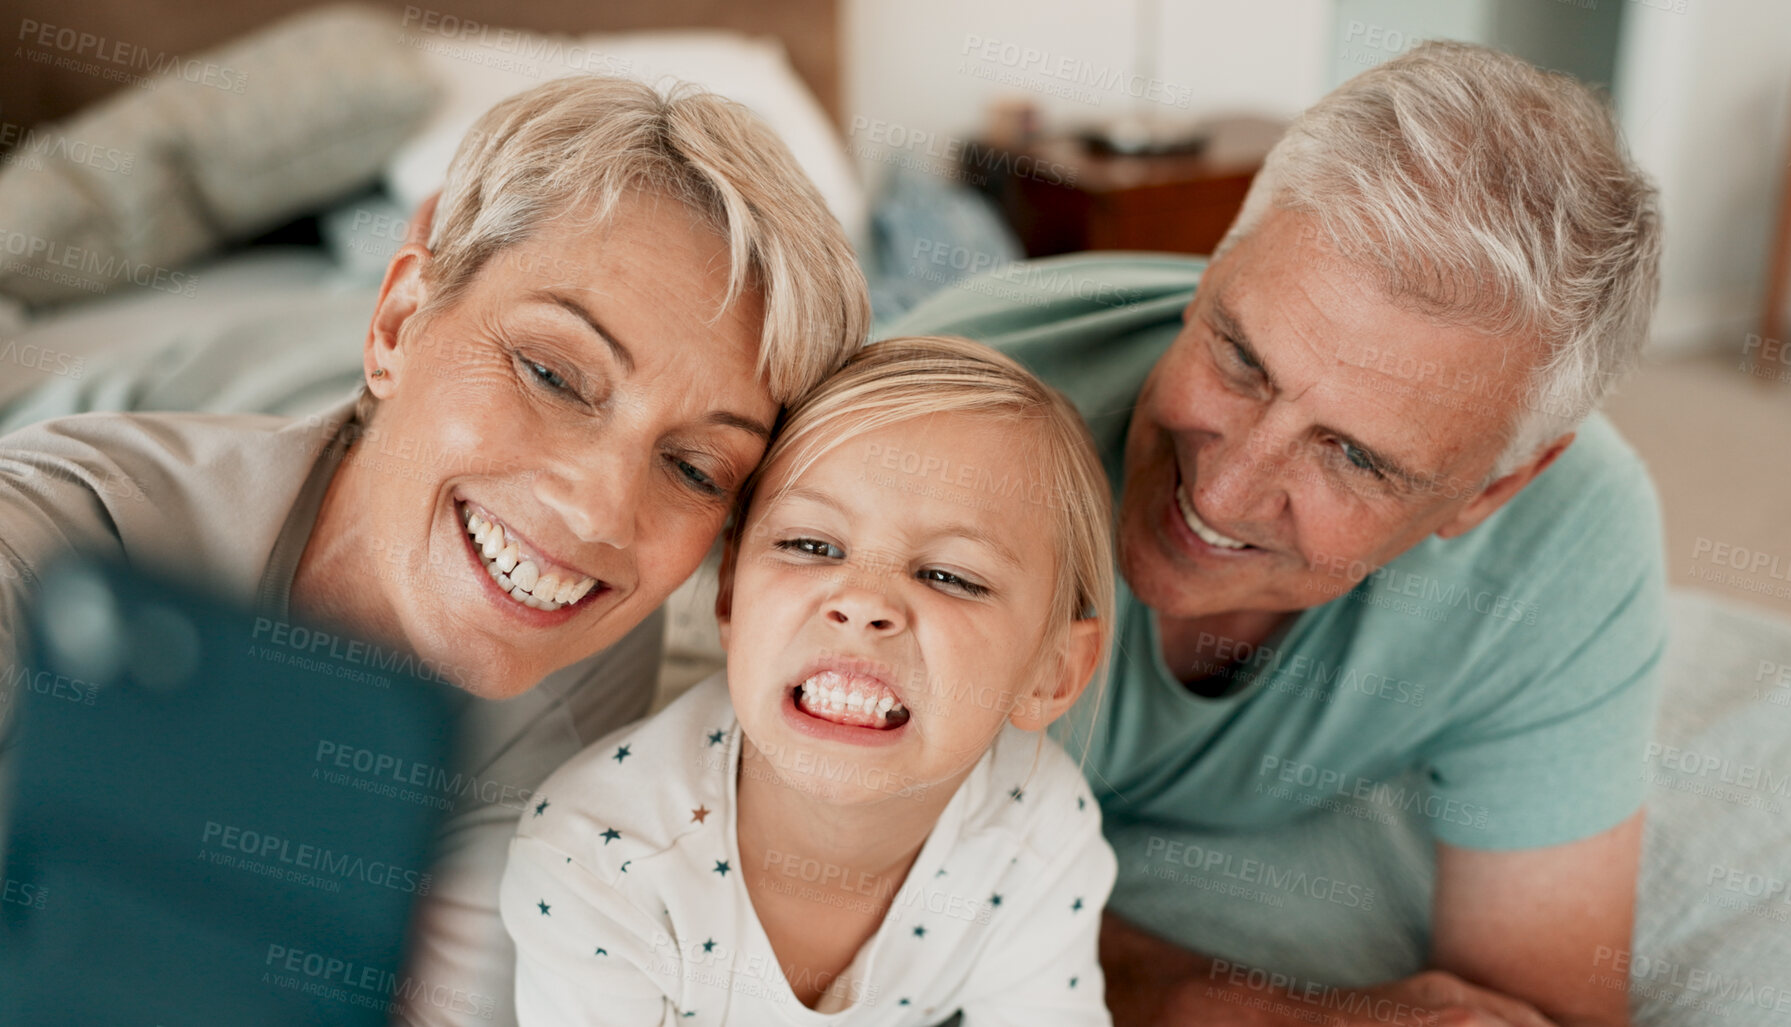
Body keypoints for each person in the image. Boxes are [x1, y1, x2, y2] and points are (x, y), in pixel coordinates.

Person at [0, 76, 869, 1025]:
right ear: (398, 323)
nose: (601, 513)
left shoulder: (597, 658)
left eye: (697, 467)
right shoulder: (54, 543)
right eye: (552, 373)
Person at [883, 42, 1664, 1027]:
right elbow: (814, 872)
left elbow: (1532, 1004)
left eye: (1356, 457)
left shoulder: (1569, 538)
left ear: (1494, 488)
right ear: (1214, 266)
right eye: (1241, 355)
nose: (1228, 484)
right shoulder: (924, 442)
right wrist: (1216, 1004)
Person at [499, 334, 1120, 1025]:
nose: (862, 601)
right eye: (811, 545)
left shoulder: (1035, 829)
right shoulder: (598, 860)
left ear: (1051, 674)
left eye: (950, 576)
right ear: (730, 593)